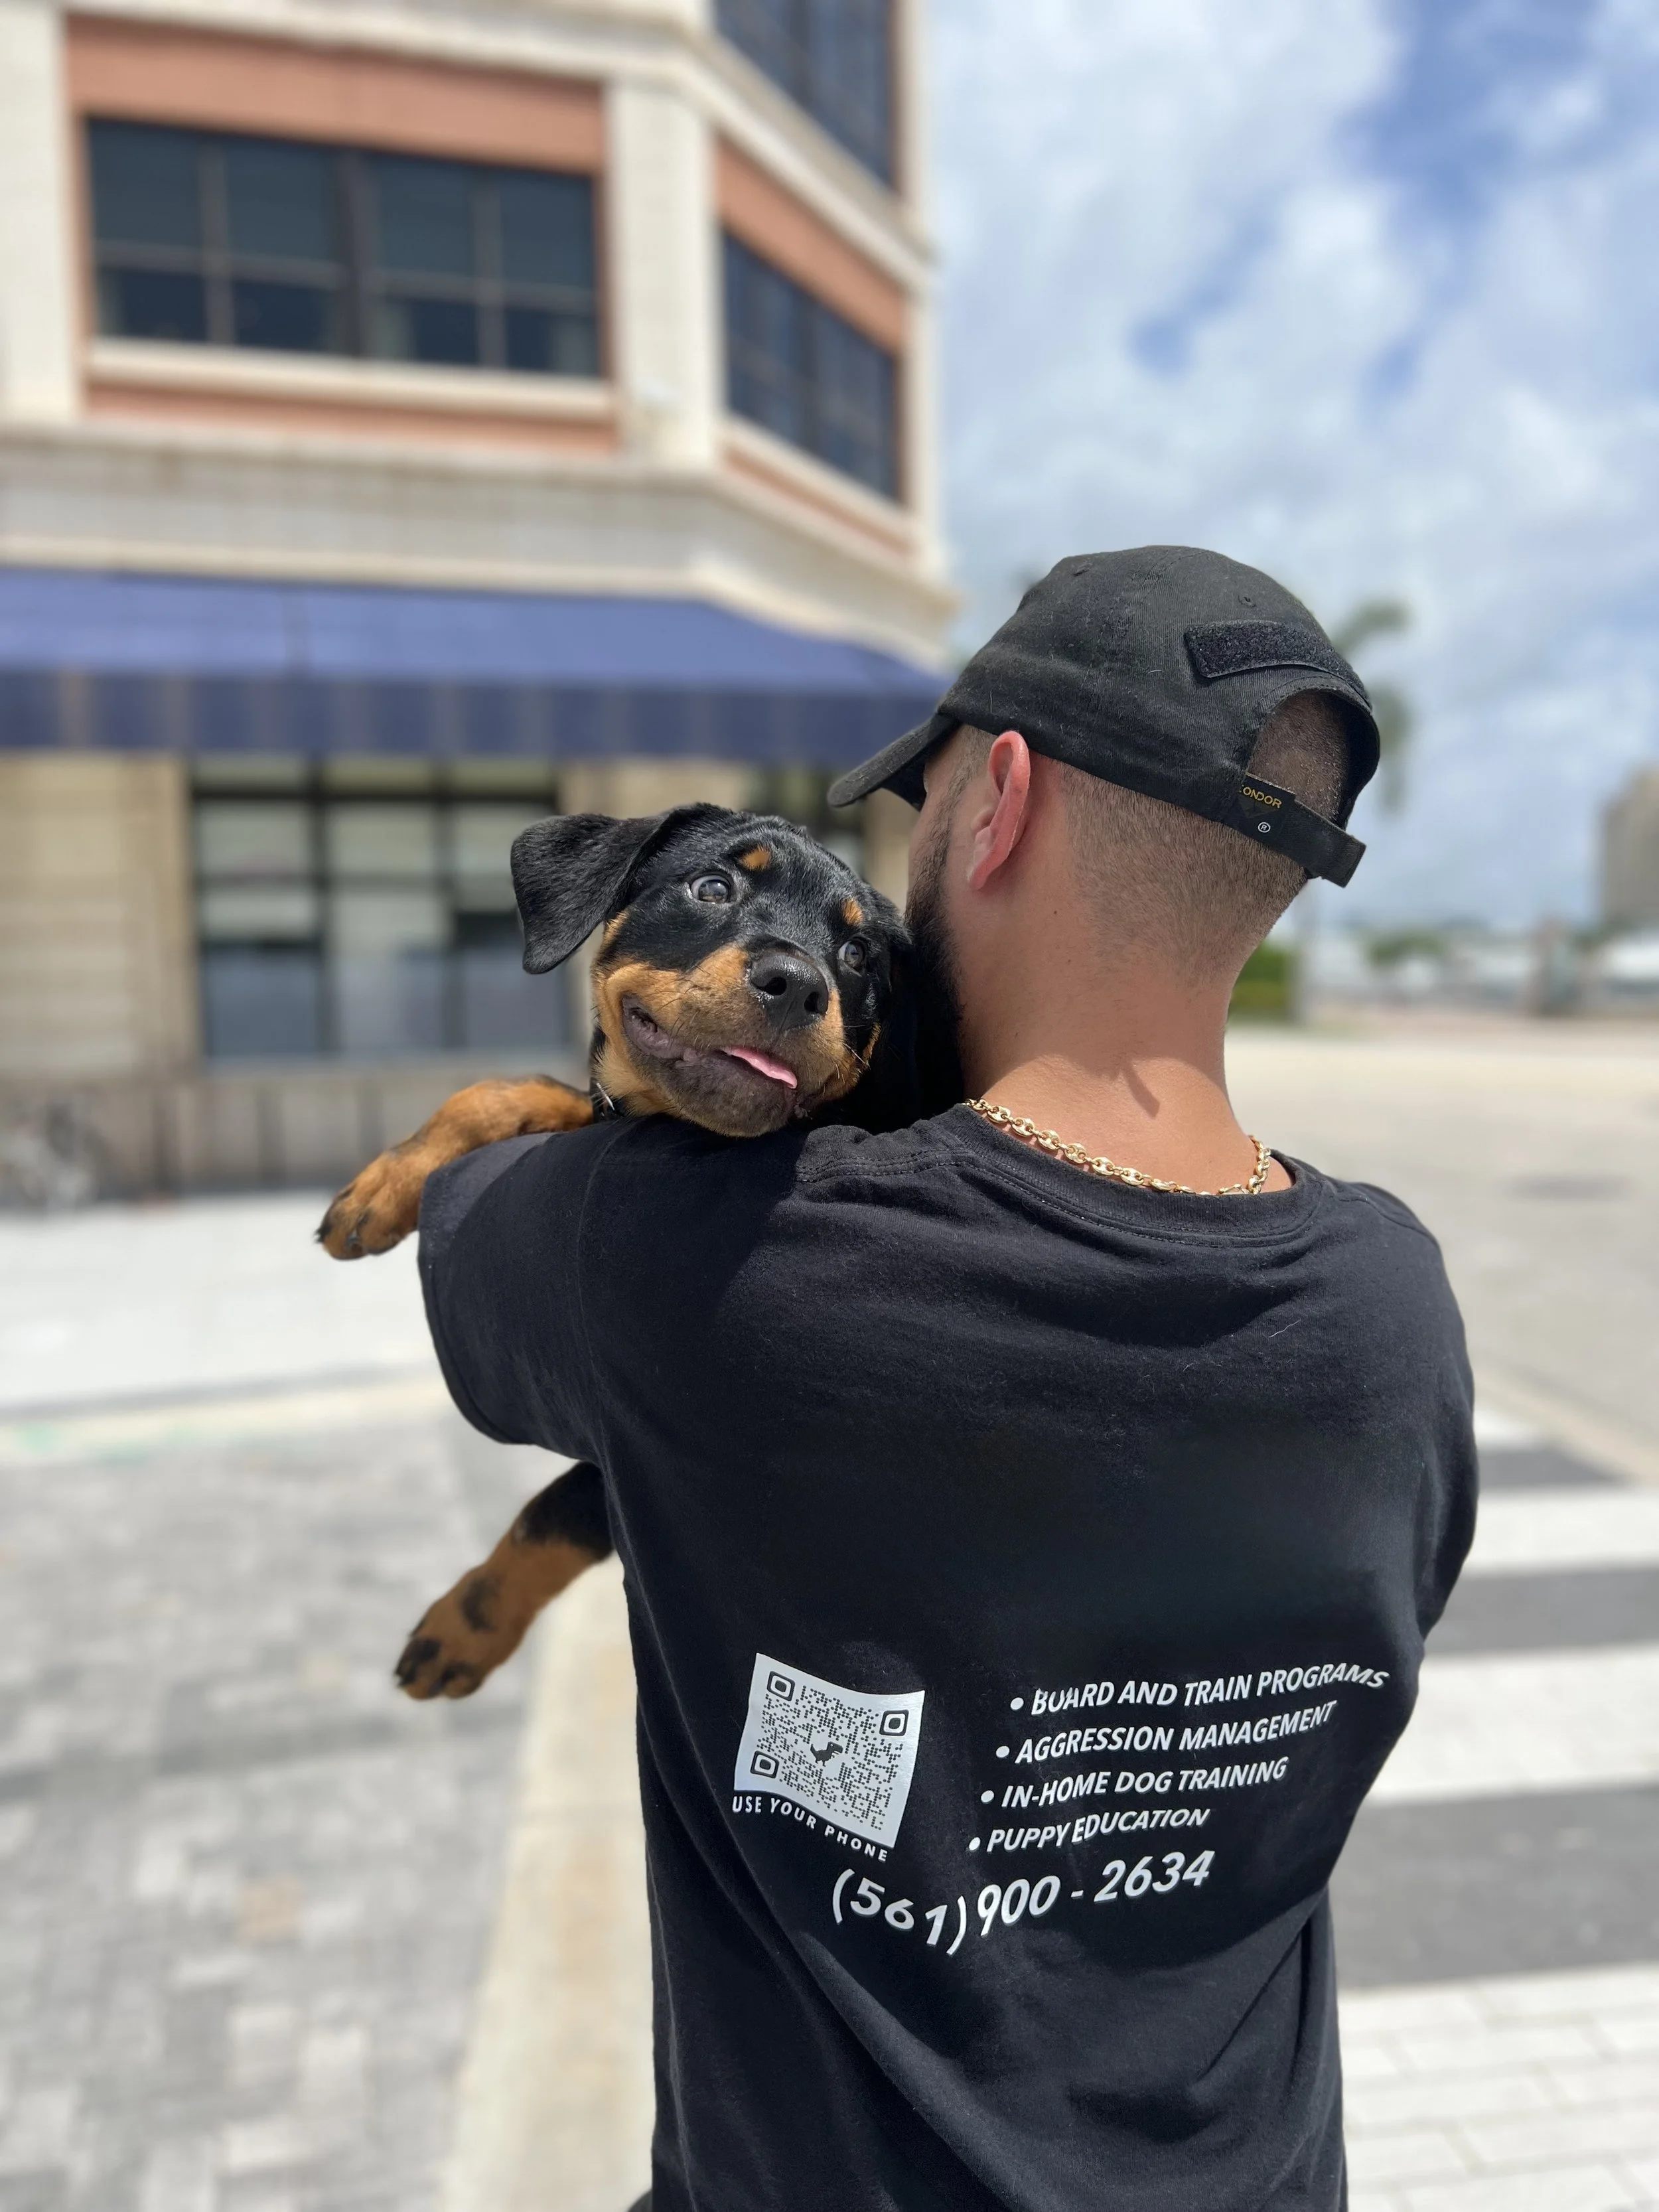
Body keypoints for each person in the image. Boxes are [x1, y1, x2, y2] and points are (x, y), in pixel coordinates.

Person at [420, 547, 1477, 2212]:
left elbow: (464, 1232)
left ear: (995, 800)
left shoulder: (704, 1254)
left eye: (909, 813)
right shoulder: (1394, 1307)